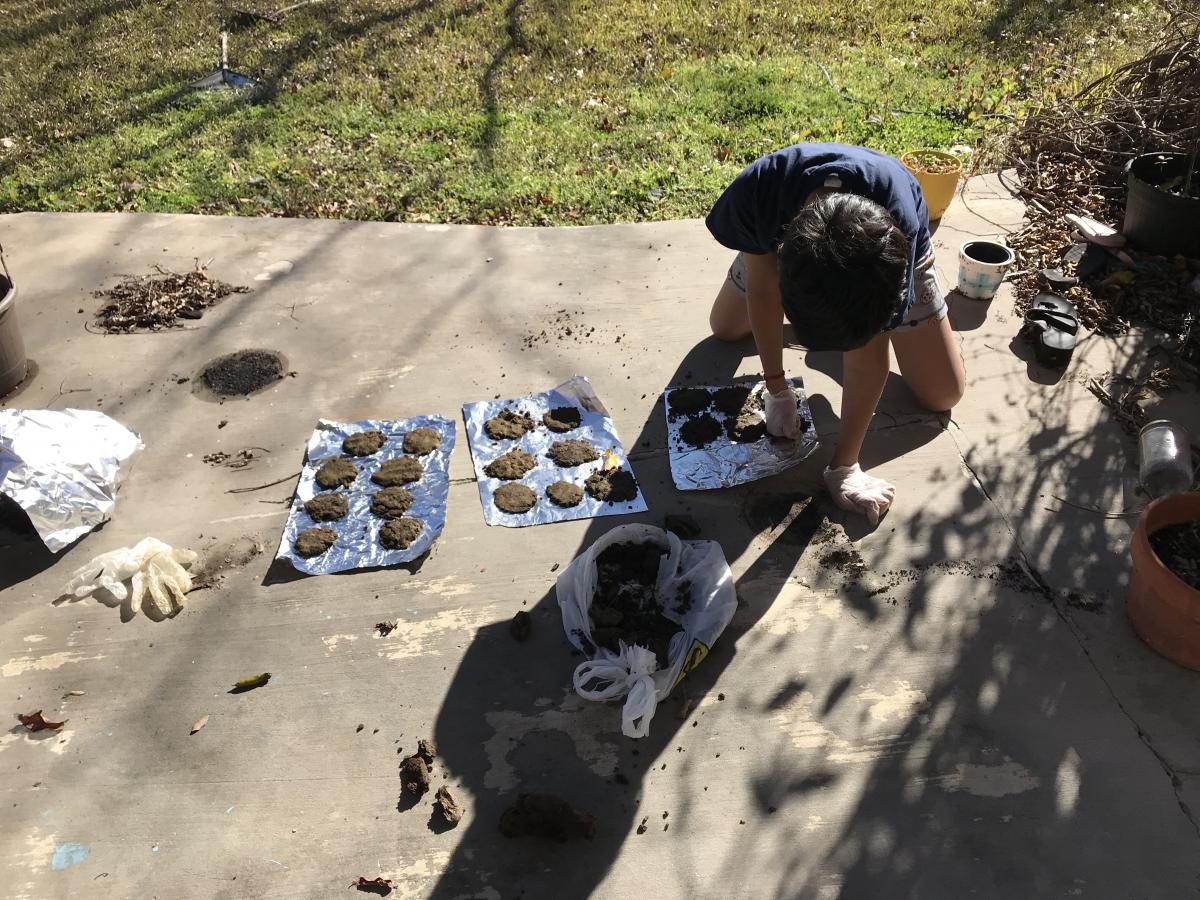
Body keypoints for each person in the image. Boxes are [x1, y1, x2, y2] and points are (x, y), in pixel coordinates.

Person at [705, 142, 965, 523]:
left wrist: (845, 466)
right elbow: (763, 293)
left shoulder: (892, 247)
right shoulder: (758, 193)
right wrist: (776, 386)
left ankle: (834, 334)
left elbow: (869, 355)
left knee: (944, 393)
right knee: (725, 327)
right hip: (776, 233)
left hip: (891, 242)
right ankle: (828, 328)